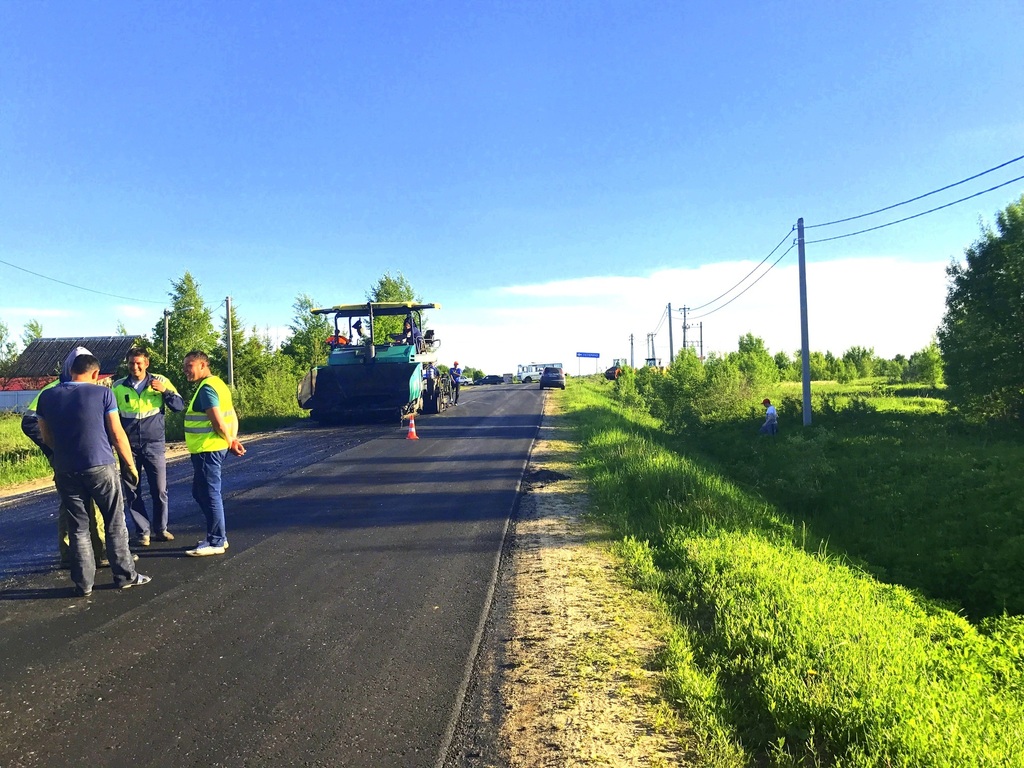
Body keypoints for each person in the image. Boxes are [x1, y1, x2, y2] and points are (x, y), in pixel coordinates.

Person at [35, 353, 151, 596]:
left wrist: (63, 456)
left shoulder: (47, 396)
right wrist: (129, 466)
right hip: (100, 465)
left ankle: (83, 584)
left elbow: (46, 437)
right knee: (114, 522)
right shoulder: (103, 394)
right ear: (96, 374)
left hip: (65, 469)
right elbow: (117, 434)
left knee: (78, 527)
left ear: (69, 371)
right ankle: (124, 575)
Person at [21, 346, 107, 567]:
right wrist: (54, 448)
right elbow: (29, 422)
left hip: (82, 455)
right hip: (69, 457)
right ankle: (81, 555)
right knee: (78, 503)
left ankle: (85, 554)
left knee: (79, 503)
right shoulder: (53, 388)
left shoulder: (88, 388)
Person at [112, 347, 185, 547]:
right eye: (131, 363)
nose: (134, 367)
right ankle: (142, 531)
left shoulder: (160, 382)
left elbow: (179, 406)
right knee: (132, 490)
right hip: (129, 447)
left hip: (154, 444)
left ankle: (161, 529)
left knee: (159, 489)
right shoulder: (118, 387)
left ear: (146, 363)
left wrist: (166, 392)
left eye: (138, 363)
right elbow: (111, 417)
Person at [182, 350, 245, 557]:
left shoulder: (207, 388)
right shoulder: (218, 384)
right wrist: (232, 439)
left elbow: (218, 420)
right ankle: (216, 536)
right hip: (210, 447)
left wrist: (230, 441)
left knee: (209, 495)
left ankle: (217, 541)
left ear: (203, 365)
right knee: (199, 493)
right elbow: (232, 414)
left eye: (189, 366)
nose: (185, 371)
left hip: (207, 449)